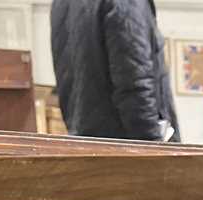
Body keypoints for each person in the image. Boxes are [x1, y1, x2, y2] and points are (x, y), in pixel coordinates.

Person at [51, 0, 179, 142]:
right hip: (125, 150)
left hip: (85, 143)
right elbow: (134, 85)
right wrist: (156, 151)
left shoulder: (61, 3)